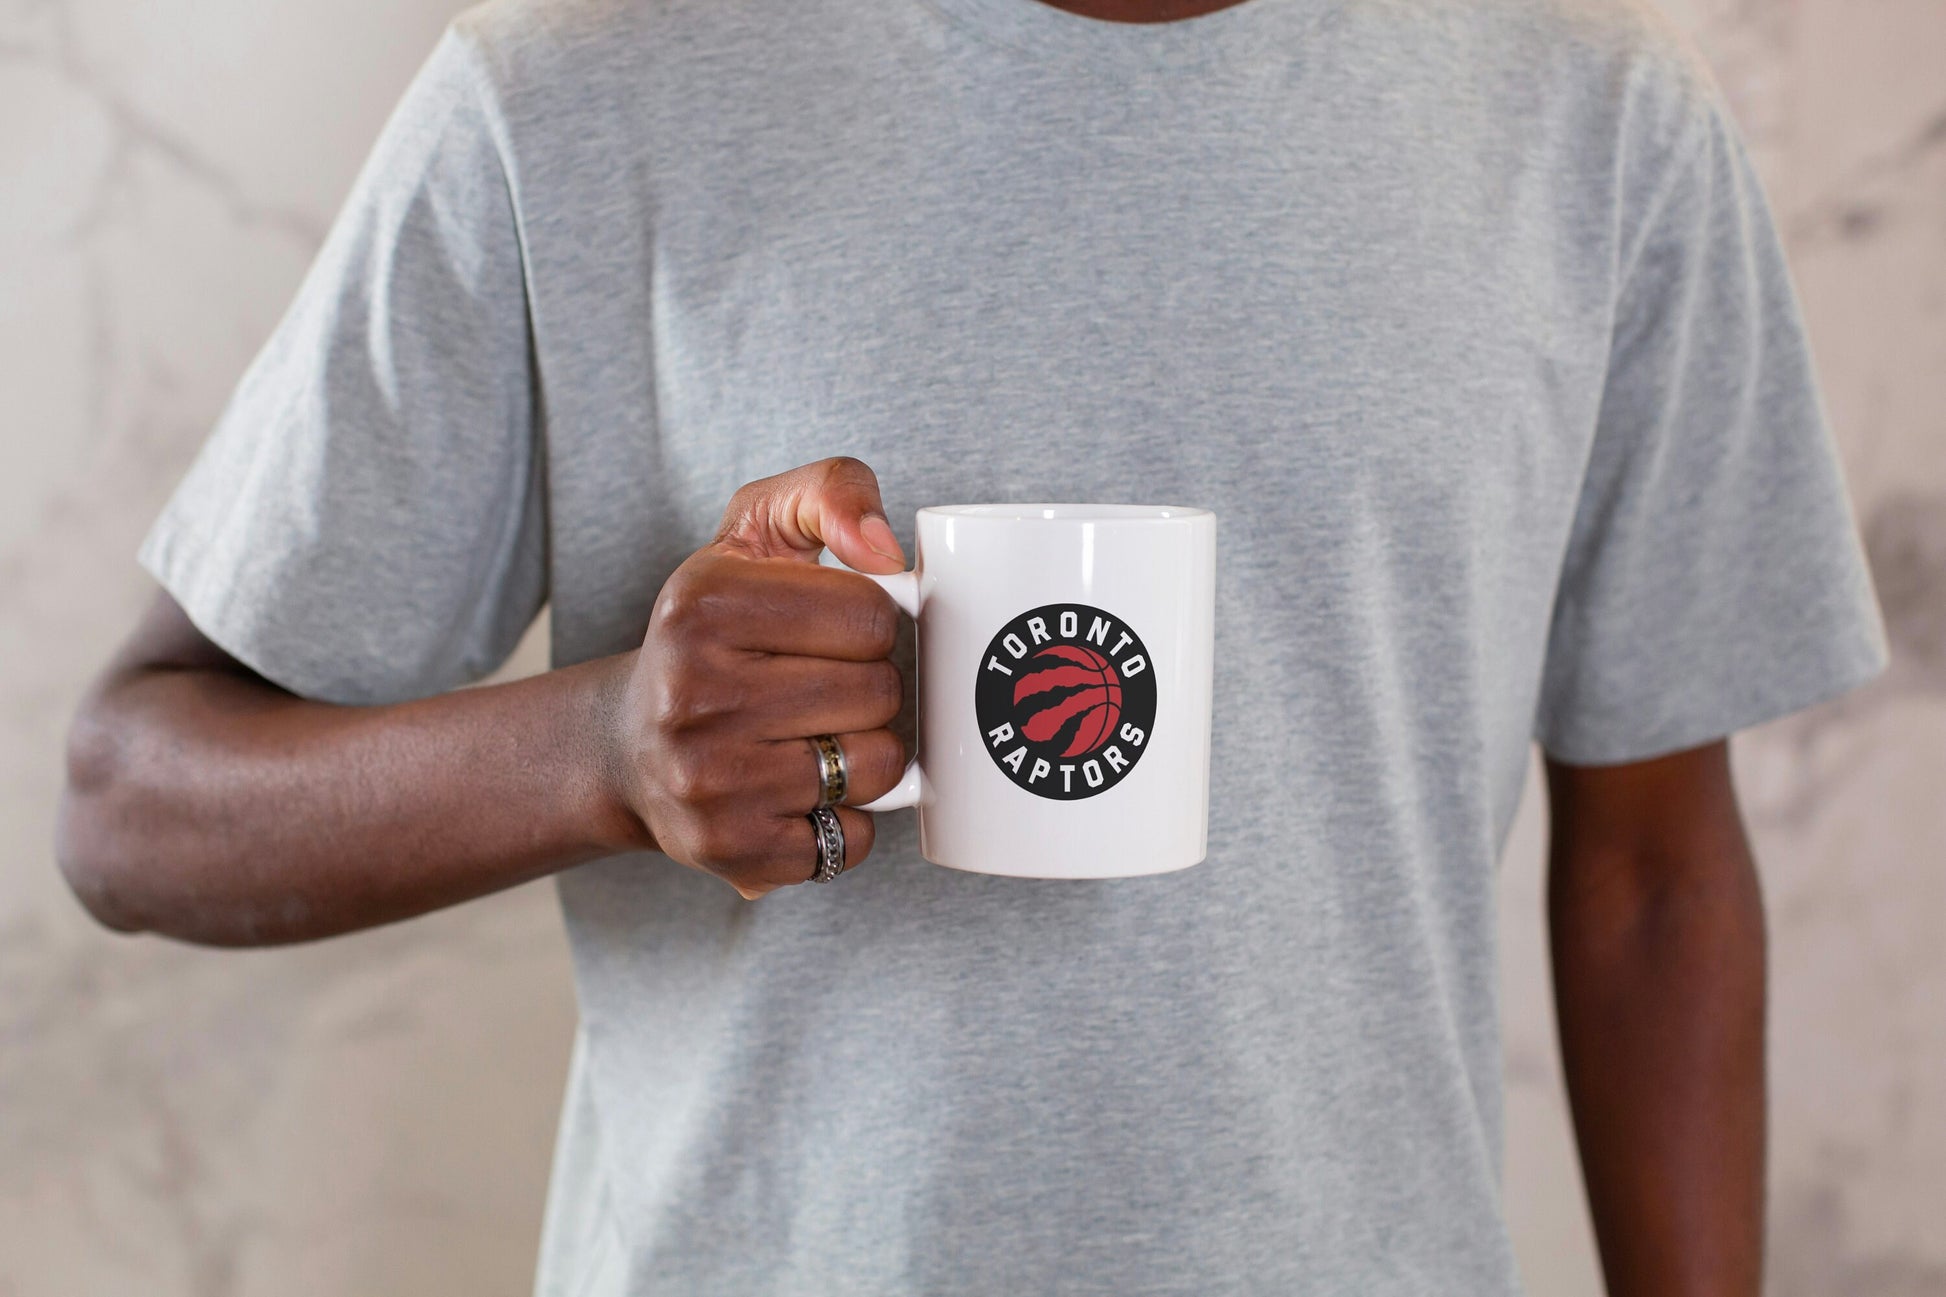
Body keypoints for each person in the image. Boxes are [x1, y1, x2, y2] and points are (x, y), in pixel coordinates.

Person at [54, 0, 1889, 1291]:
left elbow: (1654, 869)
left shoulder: (1601, 119)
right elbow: (130, 801)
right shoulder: (575, 88)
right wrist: (602, 749)